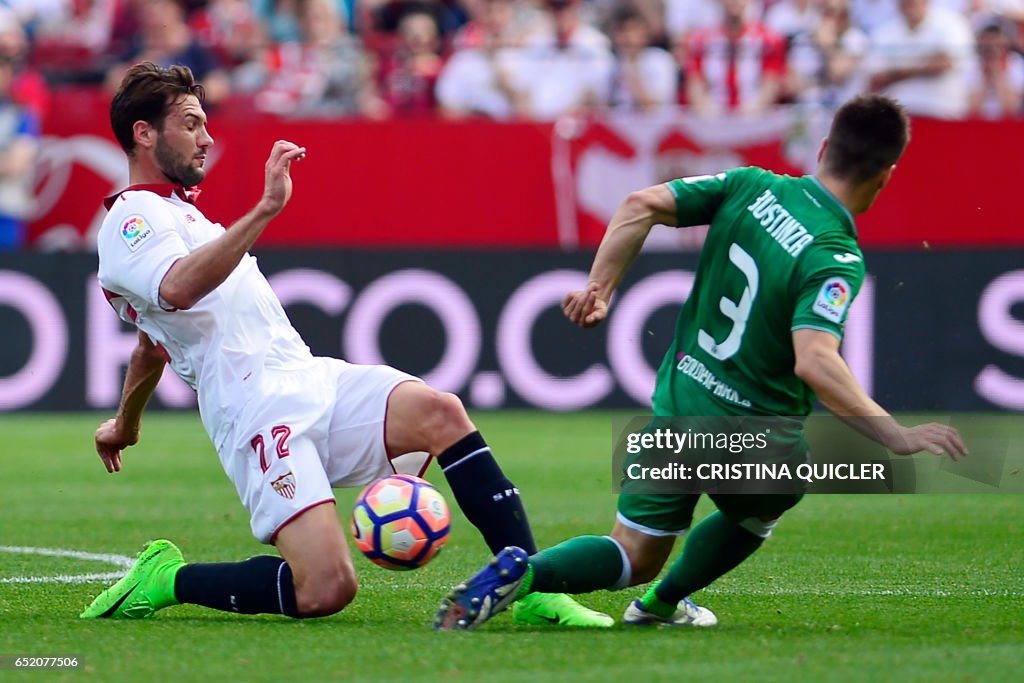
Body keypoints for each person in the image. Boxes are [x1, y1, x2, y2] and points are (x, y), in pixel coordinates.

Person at [80, 62, 610, 628]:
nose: (207, 137)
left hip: (309, 378)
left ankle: (528, 586)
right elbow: (179, 289)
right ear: (143, 133)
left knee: (440, 411)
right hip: (255, 411)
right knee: (325, 589)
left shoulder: (182, 214)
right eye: (191, 124)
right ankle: (167, 579)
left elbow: (150, 340)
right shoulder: (131, 220)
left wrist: (125, 421)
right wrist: (265, 209)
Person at [434, 94, 968, 631]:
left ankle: (523, 573)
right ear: (887, 175)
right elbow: (815, 360)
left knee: (632, 554)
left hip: (682, 395)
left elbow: (640, 204)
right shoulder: (835, 254)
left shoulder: (751, 185)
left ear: (825, 147)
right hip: (752, 429)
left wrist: (600, 288)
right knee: (772, 500)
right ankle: (660, 606)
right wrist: (891, 435)